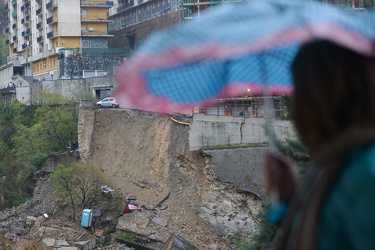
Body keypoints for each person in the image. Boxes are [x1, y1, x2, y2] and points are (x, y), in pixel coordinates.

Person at [265, 40, 375, 250]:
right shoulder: (336, 161)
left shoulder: (365, 175)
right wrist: (291, 197)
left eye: (299, 91)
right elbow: (330, 229)